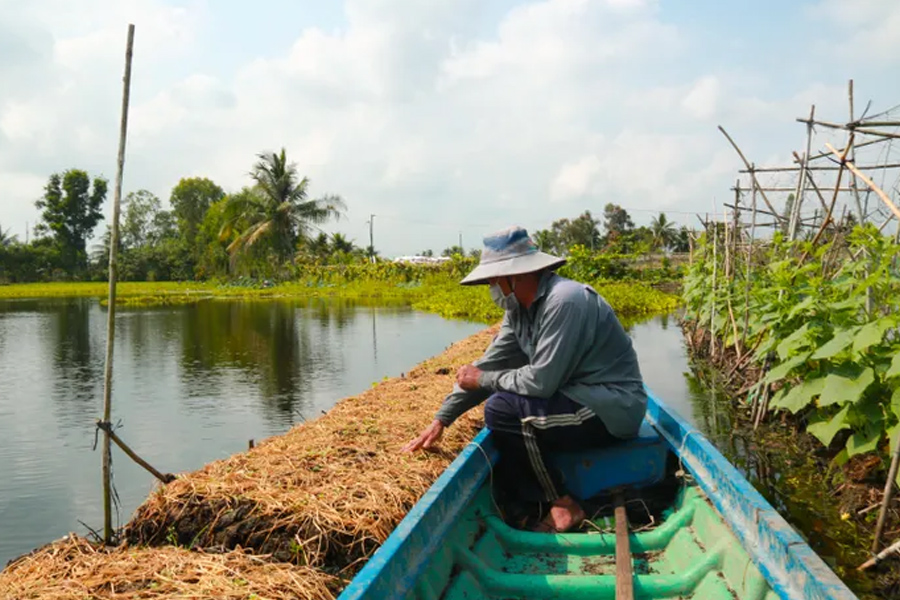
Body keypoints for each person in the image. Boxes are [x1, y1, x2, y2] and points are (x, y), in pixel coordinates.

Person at [402, 225, 647, 533]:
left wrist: (484, 379)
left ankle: (563, 505)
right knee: (503, 407)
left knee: (502, 410)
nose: (492, 287)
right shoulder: (518, 312)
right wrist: (442, 419)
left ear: (515, 276)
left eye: (494, 280)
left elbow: (541, 382)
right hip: (576, 398)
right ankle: (528, 502)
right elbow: (490, 364)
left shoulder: (565, 301)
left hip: (611, 406)